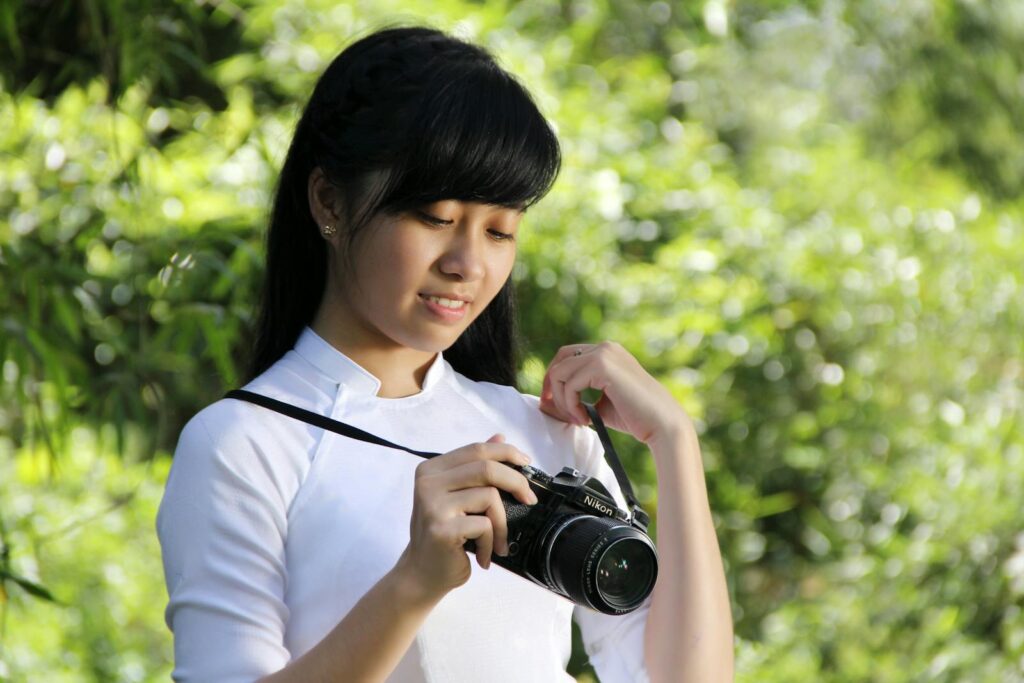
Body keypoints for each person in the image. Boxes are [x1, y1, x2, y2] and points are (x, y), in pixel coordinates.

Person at [156, 23, 734, 683]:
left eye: (500, 230)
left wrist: (673, 439)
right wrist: (413, 583)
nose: (468, 263)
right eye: (435, 217)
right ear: (329, 201)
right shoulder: (243, 443)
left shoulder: (541, 435)